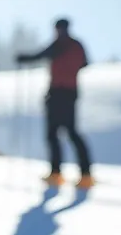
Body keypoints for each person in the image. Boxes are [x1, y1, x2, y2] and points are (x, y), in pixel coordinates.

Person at [17, 18, 94, 189]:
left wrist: (24, 58)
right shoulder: (77, 46)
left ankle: (57, 173)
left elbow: (40, 55)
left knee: (54, 134)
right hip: (70, 94)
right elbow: (85, 63)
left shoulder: (58, 45)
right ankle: (85, 174)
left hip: (57, 94)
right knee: (70, 132)